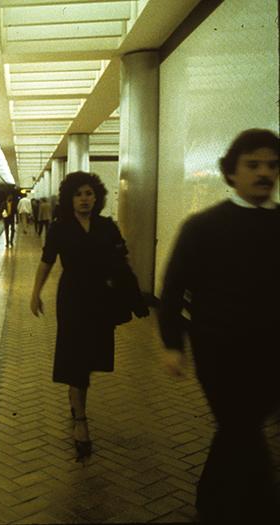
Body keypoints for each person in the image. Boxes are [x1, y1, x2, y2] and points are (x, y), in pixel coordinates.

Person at [158, 128, 280, 522]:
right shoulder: (203, 227)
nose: (264, 173)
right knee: (241, 425)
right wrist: (173, 344)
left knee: (239, 429)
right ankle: (251, 503)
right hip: (219, 351)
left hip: (271, 350)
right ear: (231, 173)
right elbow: (173, 289)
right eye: (254, 165)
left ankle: (215, 499)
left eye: (272, 166)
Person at [30, 171, 147, 462]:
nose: (85, 199)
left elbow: (122, 263)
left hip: (101, 299)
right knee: (76, 358)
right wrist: (35, 293)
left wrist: (134, 297)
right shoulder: (60, 228)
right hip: (72, 298)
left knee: (93, 356)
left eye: (89, 194)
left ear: (97, 197)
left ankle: (77, 398)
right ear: (70, 198)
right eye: (79, 194)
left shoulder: (107, 227)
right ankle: (80, 420)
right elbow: (47, 261)